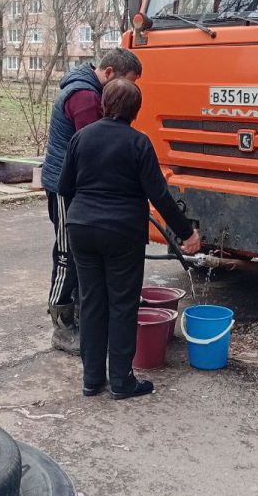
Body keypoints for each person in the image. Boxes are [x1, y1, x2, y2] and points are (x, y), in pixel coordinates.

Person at [58, 78, 201, 400]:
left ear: (103, 105)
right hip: (122, 232)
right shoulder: (138, 142)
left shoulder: (81, 137)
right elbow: (159, 195)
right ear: (136, 110)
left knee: (92, 304)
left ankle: (92, 379)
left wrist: (83, 212)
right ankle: (122, 382)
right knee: (122, 305)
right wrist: (186, 233)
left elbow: (65, 185)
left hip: (82, 228)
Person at [40, 48, 143, 355]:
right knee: (67, 251)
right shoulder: (84, 97)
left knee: (83, 256)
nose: (129, 91)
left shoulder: (92, 91)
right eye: (127, 82)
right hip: (65, 186)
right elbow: (97, 149)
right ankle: (62, 324)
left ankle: (86, 319)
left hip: (81, 187)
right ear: (110, 73)